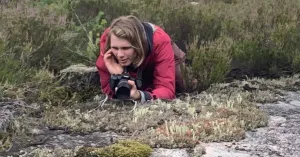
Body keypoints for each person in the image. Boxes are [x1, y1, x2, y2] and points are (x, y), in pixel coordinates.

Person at [95, 15, 186, 103]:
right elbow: (108, 92)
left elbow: (167, 90)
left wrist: (140, 96)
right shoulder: (109, 40)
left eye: (126, 48)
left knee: (180, 87)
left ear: (138, 45)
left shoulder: (160, 41)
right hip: (138, 61)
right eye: (115, 48)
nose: (119, 55)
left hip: (155, 56)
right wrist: (118, 76)